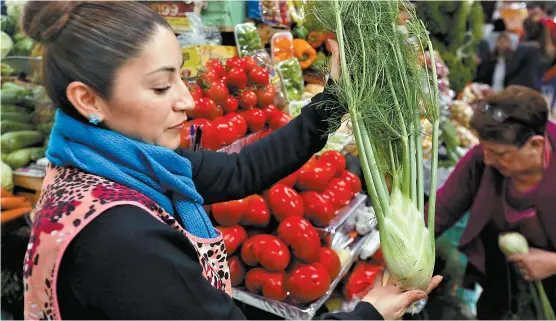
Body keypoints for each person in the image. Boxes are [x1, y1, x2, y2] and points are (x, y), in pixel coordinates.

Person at [21, 2, 441, 320]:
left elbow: (242, 170)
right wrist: (369, 314)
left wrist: (338, 96)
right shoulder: (123, 240)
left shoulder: (110, 163)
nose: (186, 100)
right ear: (87, 98)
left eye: (180, 77)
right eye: (161, 87)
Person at [428, 86, 556, 319]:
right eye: (485, 149)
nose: (488, 159)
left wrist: (553, 263)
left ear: (535, 145)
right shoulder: (482, 158)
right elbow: (441, 211)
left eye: (499, 154)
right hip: (499, 283)